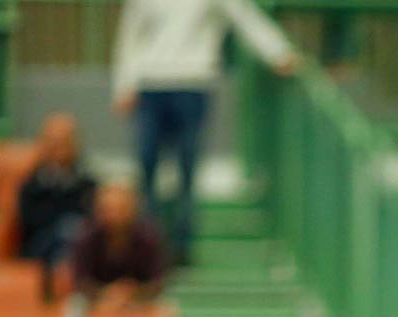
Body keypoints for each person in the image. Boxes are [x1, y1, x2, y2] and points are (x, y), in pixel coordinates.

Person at [110, 0, 298, 264]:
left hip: (192, 83)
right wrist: (123, 85)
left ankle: (182, 246)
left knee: (187, 168)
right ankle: (148, 246)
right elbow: (130, 35)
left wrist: (278, 53)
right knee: (147, 166)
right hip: (150, 84)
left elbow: (245, 18)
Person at [17, 112, 97, 275]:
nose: (58, 148)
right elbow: (31, 223)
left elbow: (93, 224)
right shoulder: (31, 186)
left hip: (78, 249)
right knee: (67, 229)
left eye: (64, 142)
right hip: (41, 253)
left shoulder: (88, 184)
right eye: (52, 142)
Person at [70, 182, 167, 308]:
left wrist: (131, 292)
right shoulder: (86, 237)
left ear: (133, 209)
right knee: (74, 307)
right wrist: (107, 293)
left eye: (120, 209)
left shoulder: (149, 237)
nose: (114, 216)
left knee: (165, 309)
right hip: (96, 299)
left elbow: (157, 282)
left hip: (139, 299)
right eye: (108, 210)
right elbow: (80, 281)